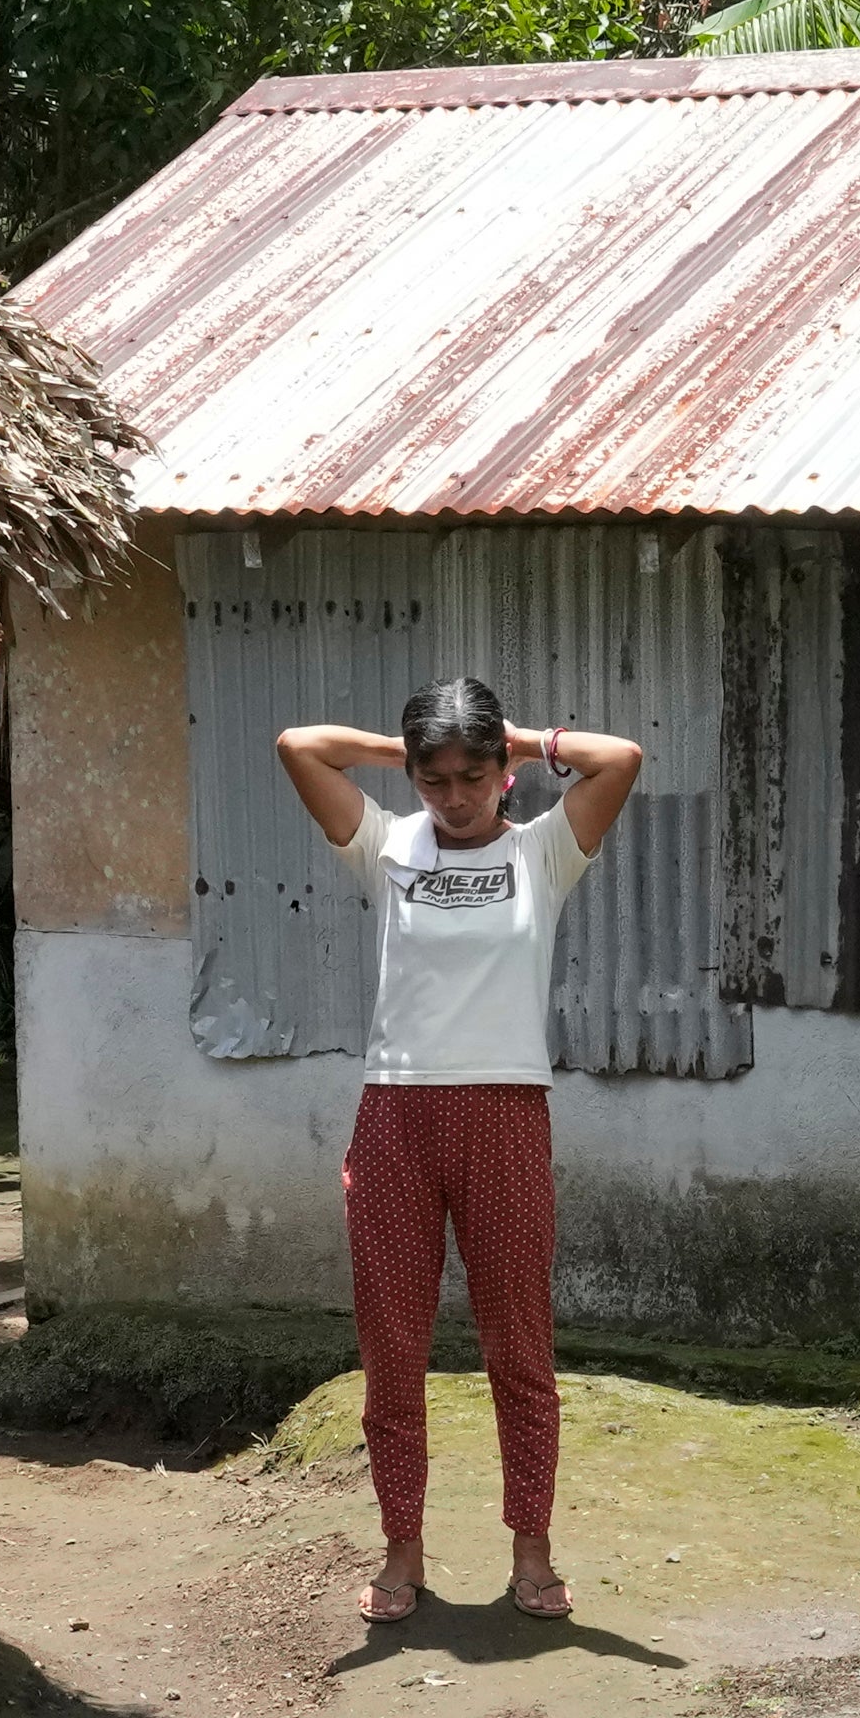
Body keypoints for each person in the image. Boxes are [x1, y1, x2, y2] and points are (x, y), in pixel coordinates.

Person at [273, 679, 644, 1625]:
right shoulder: (388, 846)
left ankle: (533, 1549)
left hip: (508, 1117)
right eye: (435, 779)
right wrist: (412, 751)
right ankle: (403, 1550)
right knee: (392, 1349)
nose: (453, 795)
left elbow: (621, 759)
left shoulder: (545, 852)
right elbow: (297, 743)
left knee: (518, 1346)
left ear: (505, 772)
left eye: (472, 775)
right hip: (394, 1119)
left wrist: (514, 736)